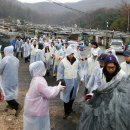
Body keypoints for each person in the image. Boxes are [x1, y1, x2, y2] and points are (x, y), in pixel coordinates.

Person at [23, 61, 65, 130]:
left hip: (32, 108)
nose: (45, 69)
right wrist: (58, 88)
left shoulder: (35, 78)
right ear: (40, 69)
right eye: (44, 68)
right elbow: (49, 94)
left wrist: (55, 88)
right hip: (37, 110)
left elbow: (45, 90)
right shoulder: (40, 81)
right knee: (39, 127)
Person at [57, 46, 80, 119]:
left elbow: (80, 69)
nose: (72, 55)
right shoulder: (63, 62)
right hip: (67, 82)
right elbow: (60, 73)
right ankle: (66, 111)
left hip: (75, 81)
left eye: (73, 54)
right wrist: (62, 81)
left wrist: (82, 78)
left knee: (73, 96)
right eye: (70, 54)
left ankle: (70, 108)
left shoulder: (77, 61)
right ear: (67, 54)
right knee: (66, 96)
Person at [0, 46, 22, 116]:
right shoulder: (16, 59)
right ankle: (11, 105)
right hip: (14, 79)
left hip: (7, 80)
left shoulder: (5, 59)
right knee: (11, 93)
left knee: (6, 95)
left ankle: (17, 106)